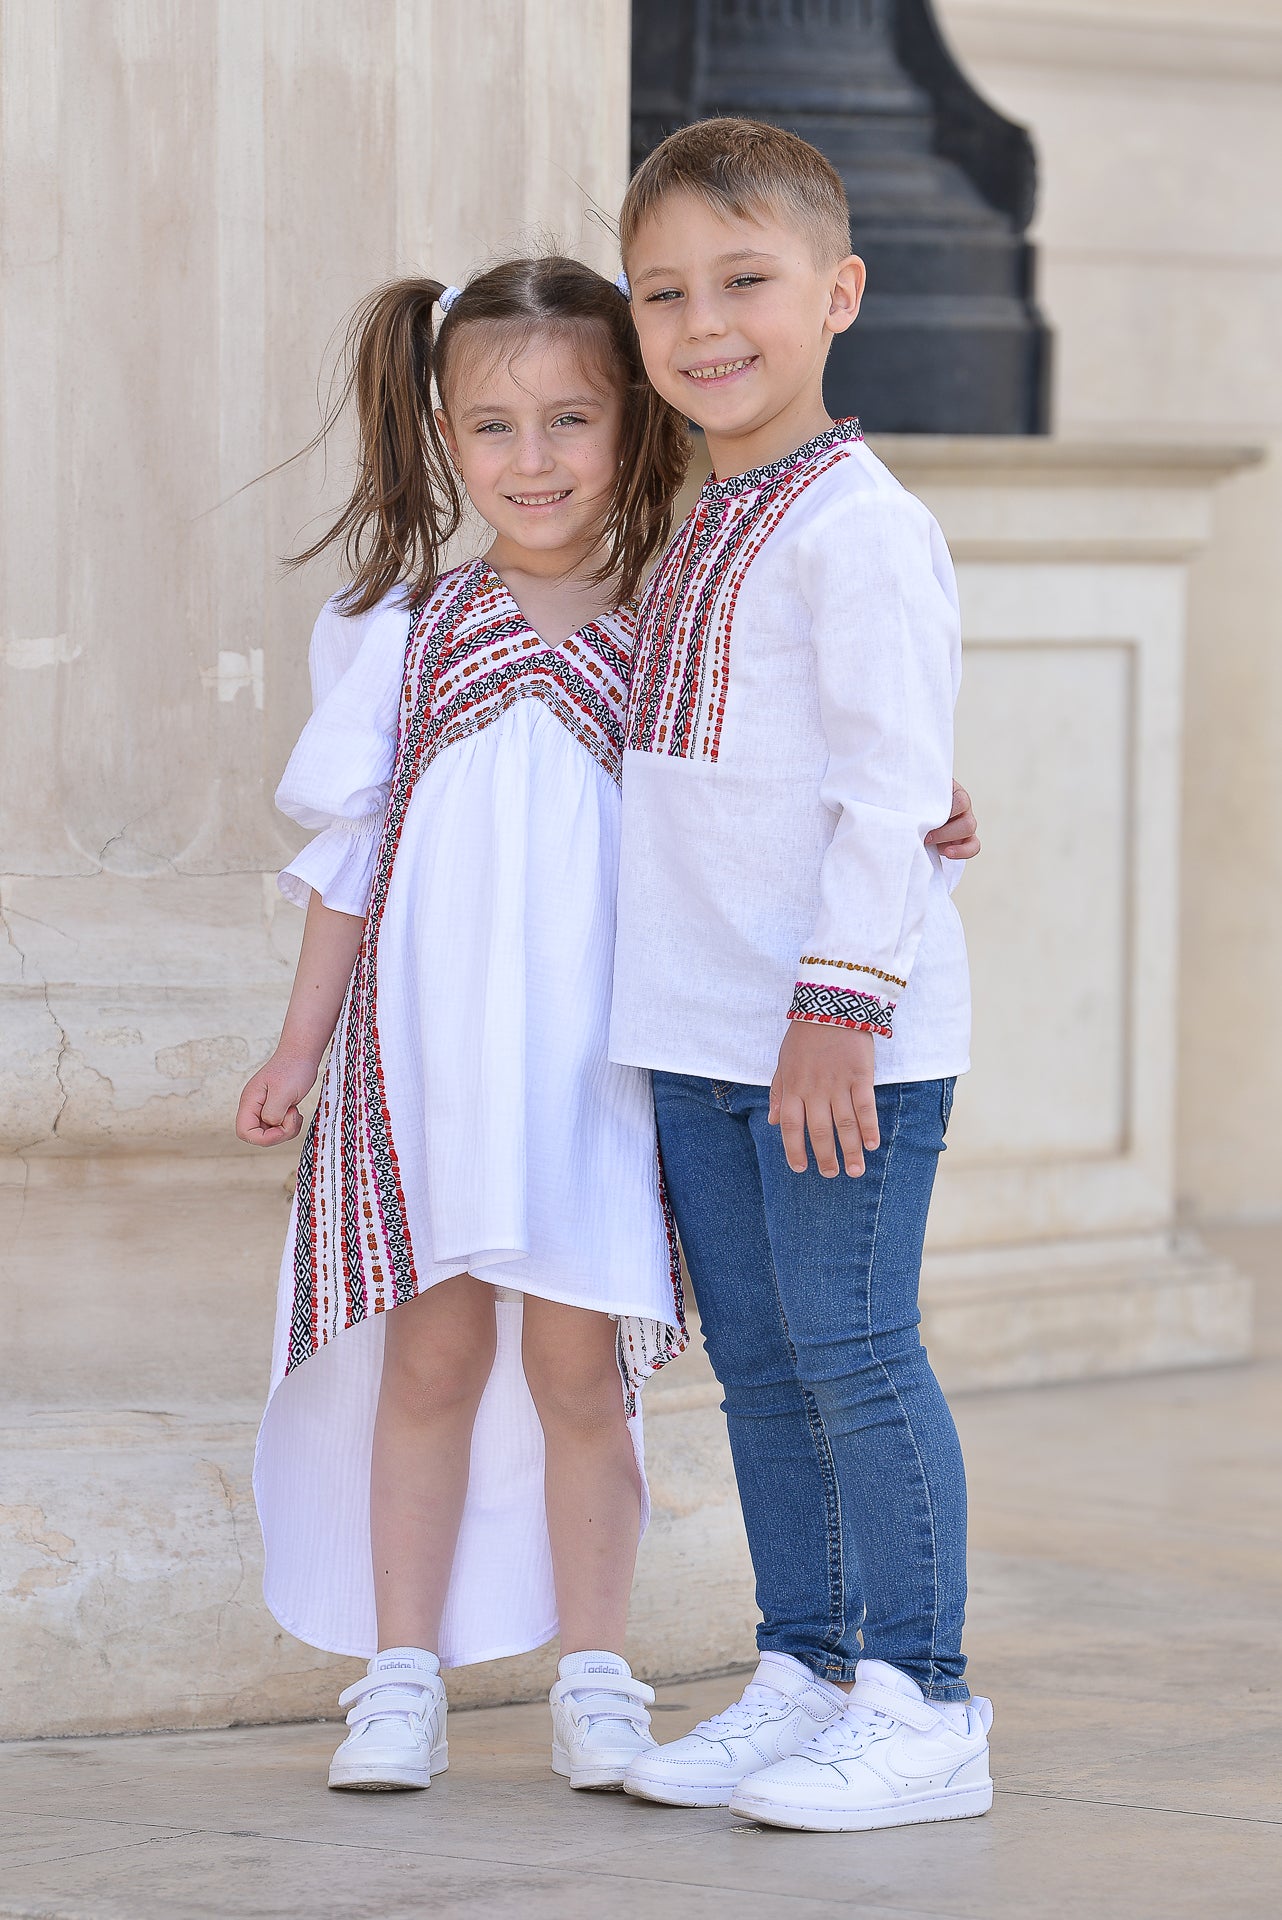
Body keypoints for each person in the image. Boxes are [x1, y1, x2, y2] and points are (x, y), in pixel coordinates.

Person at [236, 258, 693, 1794]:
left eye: (571, 419)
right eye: (494, 426)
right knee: (426, 1364)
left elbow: (752, 817)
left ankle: (599, 1676)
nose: (534, 459)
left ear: (633, 420)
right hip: (424, 1071)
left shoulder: (673, 620)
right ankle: (398, 1676)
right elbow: (351, 861)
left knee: (579, 1374)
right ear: (443, 435)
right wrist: (298, 1048)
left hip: (590, 1077)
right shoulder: (399, 628)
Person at [609, 117, 994, 1833]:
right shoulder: (699, 523)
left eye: (743, 281)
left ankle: (924, 1702)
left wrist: (837, 1009)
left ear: (836, 293)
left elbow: (886, 783)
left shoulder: (860, 524)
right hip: (699, 1032)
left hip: (836, 1043)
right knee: (761, 1371)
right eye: (662, 293)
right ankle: (806, 1670)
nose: (703, 325)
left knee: (853, 1355)